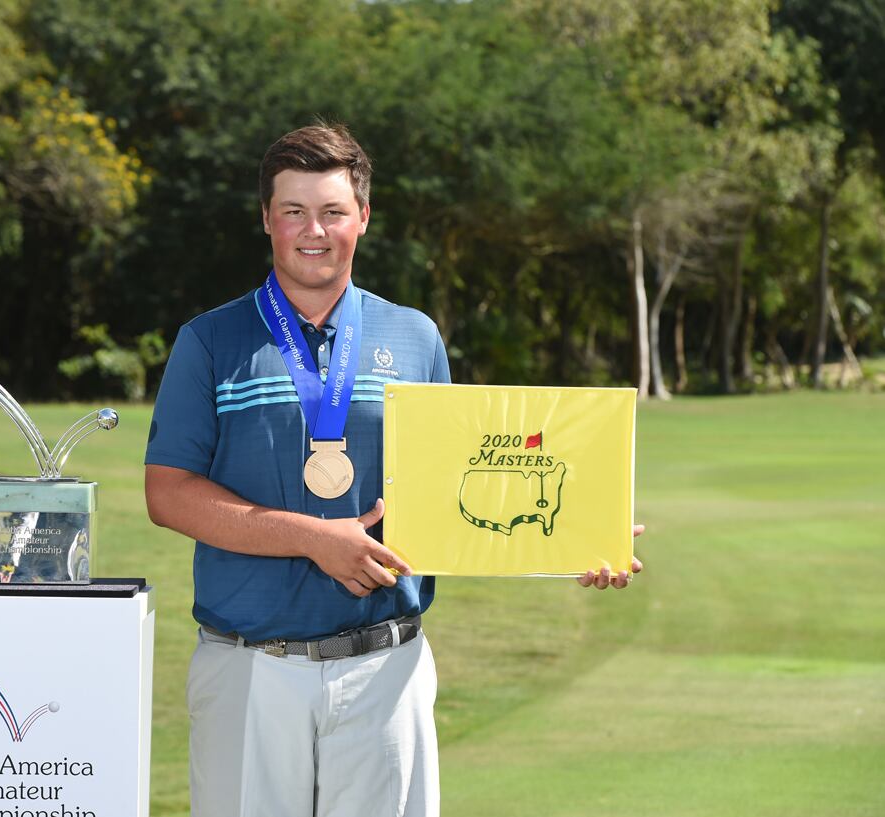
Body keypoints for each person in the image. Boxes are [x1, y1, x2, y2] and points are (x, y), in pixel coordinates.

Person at [144, 123, 642, 817]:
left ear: (363, 218)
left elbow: (463, 487)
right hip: (248, 666)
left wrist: (581, 538)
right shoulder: (209, 341)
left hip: (385, 666)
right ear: (266, 219)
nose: (312, 230)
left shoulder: (415, 337)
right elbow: (167, 494)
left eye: (332, 211)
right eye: (293, 211)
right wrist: (315, 537)